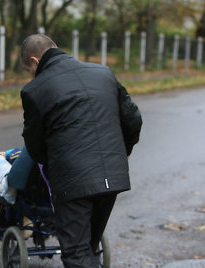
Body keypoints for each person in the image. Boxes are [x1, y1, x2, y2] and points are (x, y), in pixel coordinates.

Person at [19, 34, 142, 267]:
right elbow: (133, 118)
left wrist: (55, 169)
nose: (32, 75)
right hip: (113, 177)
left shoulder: (35, 90)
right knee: (88, 248)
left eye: (29, 69)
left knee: (76, 254)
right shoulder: (103, 73)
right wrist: (124, 150)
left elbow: (34, 144)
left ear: (35, 61)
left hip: (73, 180)